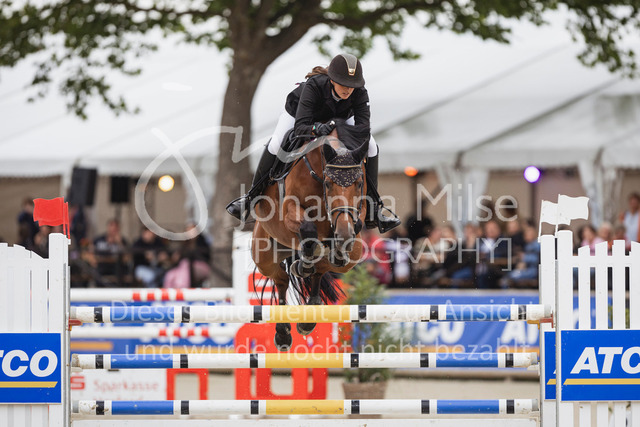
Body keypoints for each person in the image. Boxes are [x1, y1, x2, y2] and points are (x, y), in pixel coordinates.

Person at [226, 53, 401, 233]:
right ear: (332, 80)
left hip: (340, 118)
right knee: (276, 143)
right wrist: (317, 129)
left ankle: (374, 207)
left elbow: (363, 129)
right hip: (299, 115)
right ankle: (251, 197)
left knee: (371, 146)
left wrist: (341, 133)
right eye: (343, 84)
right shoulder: (314, 86)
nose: (348, 90)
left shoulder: (360, 92)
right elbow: (301, 127)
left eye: (352, 86)